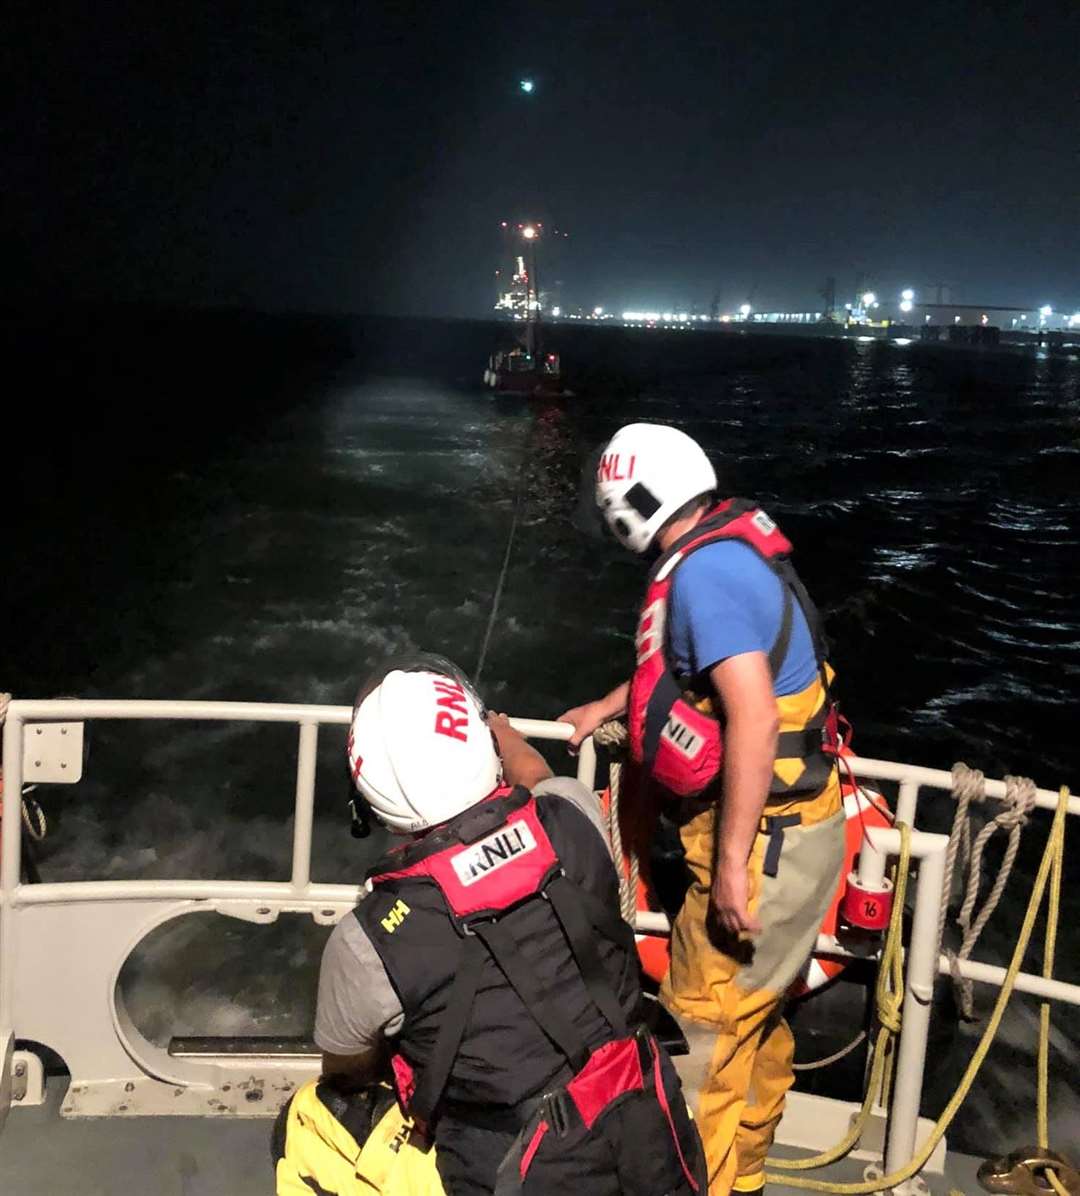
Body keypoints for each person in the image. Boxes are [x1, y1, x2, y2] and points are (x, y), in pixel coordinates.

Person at [559, 423, 846, 1196]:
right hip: (801, 833)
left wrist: (728, 871)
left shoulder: (703, 577)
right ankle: (744, 1182)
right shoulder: (725, 552)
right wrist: (610, 704)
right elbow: (695, 673)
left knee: (701, 1046)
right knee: (756, 1033)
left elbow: (750, 716)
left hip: (763, 849)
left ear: (631, 508)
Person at [311, 653, 705, 1196]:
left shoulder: (368, 943)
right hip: (648, 1136)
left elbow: (347, 1070)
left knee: (311, 1118)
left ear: (369, 799)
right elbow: (541, 779)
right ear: (476, 744)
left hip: (507, 1167)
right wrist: (504, 734)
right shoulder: (573, 819)